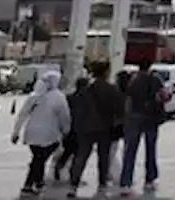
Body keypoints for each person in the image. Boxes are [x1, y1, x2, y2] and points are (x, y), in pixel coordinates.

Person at [67, 60, 124, 198]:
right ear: (106, 72)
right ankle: (102, 184)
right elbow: (119, 110)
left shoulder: (86, 89)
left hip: (86, 128)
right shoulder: (112, 89)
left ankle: (73, 185)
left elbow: (79, 109)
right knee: (103, 157)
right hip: (105, 128)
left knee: (81, 156)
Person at [11, 70, 71, 197]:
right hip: (50, 134)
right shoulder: (59, 97)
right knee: (40, 158)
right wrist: (66, 130)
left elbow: (22, 115)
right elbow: (64, 116)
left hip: (32, 133)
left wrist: (16, 133)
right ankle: (32, 184)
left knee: (38, 158)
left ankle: (36, 182)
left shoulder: (34, 96)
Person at [119, 58, 167, 195]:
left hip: (134, 118)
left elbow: (127, 98)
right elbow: (163, 96)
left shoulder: (132, 80)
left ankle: (126, 182)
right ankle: (150, 179)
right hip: (151, 118)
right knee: (151, 149)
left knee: (130, 151)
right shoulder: (155, 79)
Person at [52, 76, 89, 185]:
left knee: (68, 152)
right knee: (78, 154)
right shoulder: (86, 99)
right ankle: (73, 175)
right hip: (80, 130)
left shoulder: (69, 98)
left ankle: (59, 167)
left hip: (68, 130)